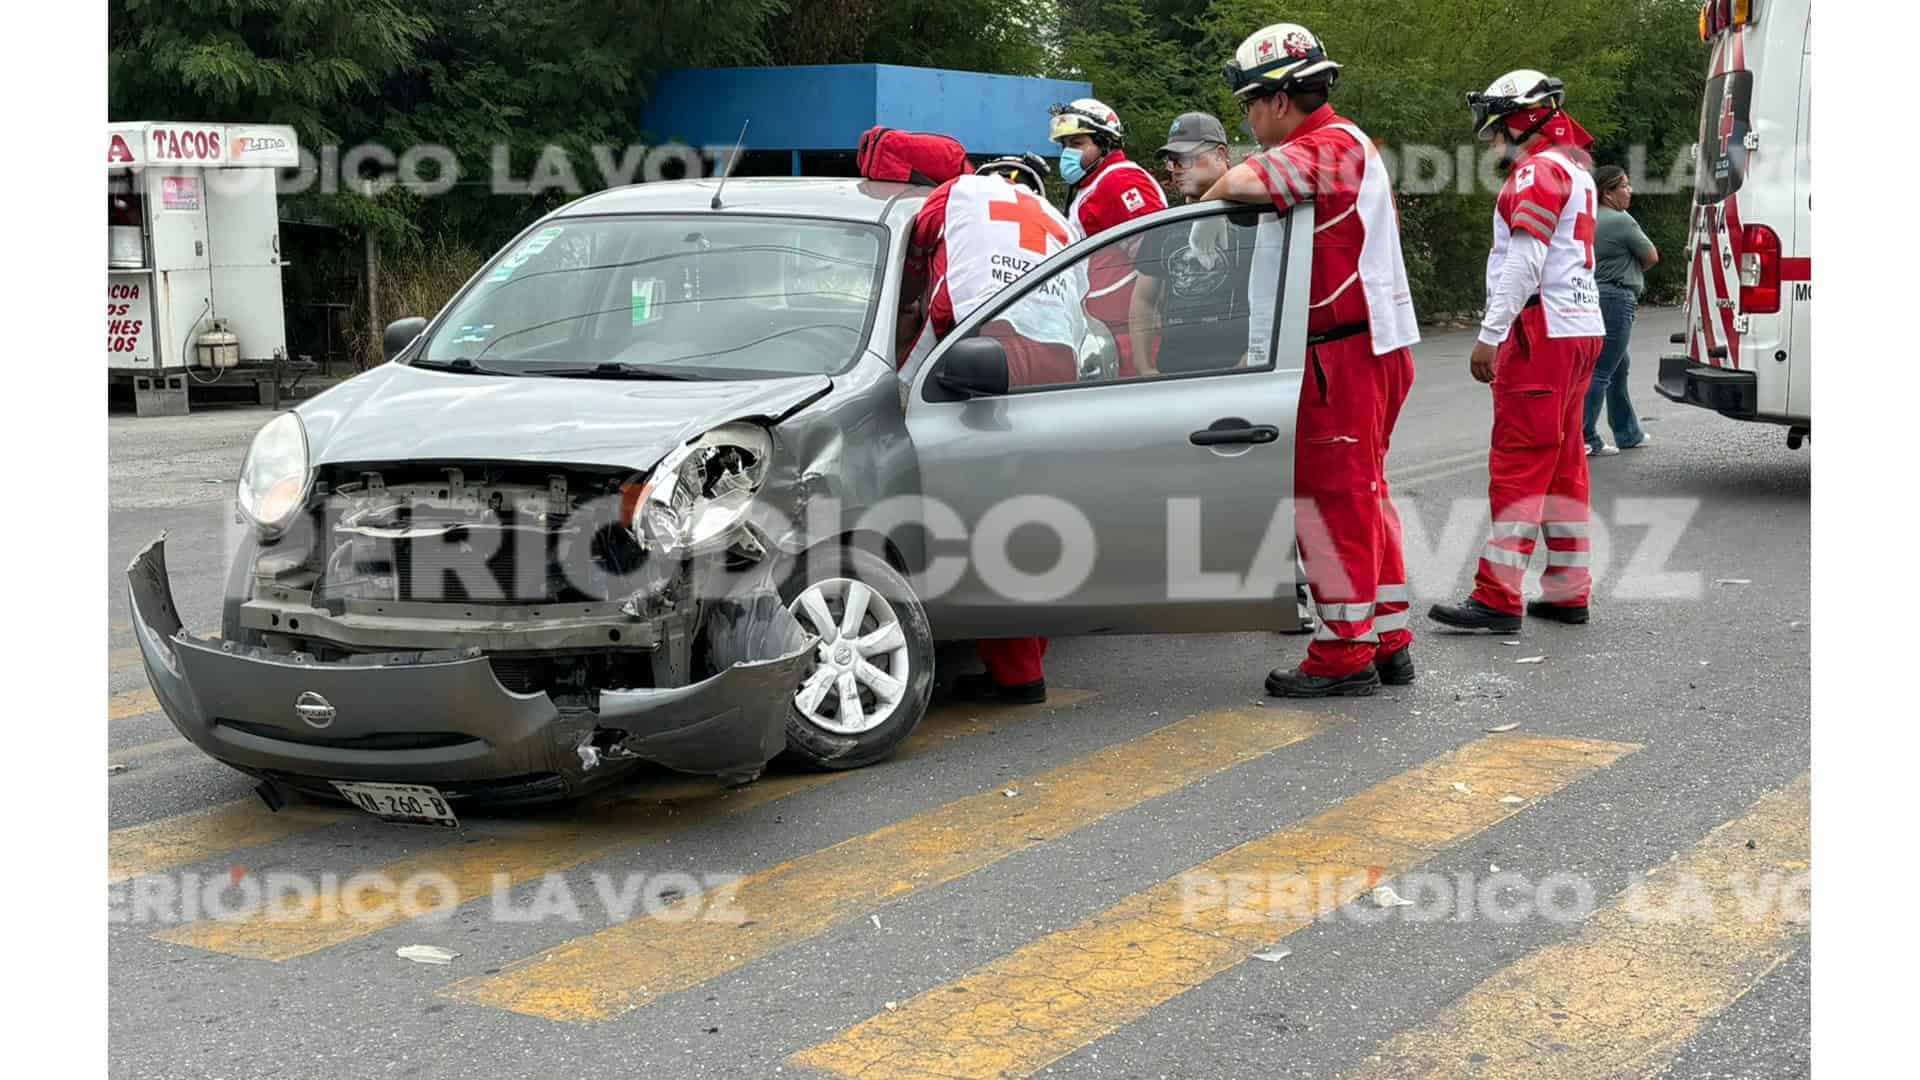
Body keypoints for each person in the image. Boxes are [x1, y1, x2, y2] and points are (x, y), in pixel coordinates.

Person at [1197, 23, 1422, 697]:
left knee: (1332, 505)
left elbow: (1233, 182)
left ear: (1280, 99)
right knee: (1363, 496)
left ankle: (1342, 652)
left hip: (1341, 354)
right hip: (1353, 348)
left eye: (1247, 105)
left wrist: (1208, 190)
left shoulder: (1328, 144)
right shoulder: (1333, 146)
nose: (1246, 118)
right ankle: (1384, 637)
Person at [902, 154, 1085, 704]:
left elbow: (913, 261)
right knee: (1035, 510)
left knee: (987, 515)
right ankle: (1026, 659)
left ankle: (1016, 673)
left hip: (987, 351)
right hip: (1059, 360)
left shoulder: (955, 195)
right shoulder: (1060, 219)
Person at [1430, 70, 1606, 634]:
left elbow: (1524, 262)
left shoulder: (1537, 171)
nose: (1490, 137)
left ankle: (1497, 598)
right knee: (1563, 466)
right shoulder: (1576, 170)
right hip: (1580, 325)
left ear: (1520, 119)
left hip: (1540, 332)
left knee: (1519, 465)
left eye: (1496, 124)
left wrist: (1490, 333)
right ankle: (1567, 590)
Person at [1049, 98, 1168, 377]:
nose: (1068, 153)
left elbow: (1157, 260)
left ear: (1105, 145)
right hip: (1106, 332)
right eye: (1064, 145)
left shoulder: (1121, 181)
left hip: (1128, 337)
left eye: (1077, 143)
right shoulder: (1091, 183)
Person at [1127, 112, 1252, 376]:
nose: (1178, 167)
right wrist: (1144, 366)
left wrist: (1255, 355)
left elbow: (1276, 296)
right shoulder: (1163, 225)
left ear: (1221, 154)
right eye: (1172, 161)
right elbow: (1143, 299)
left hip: (1240, 370)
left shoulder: (1253, 218)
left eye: (1187, 157)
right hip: (1173, 369)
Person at [1584, 164, 1656, 455]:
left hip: (1592, 295)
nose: (1630, 191)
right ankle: (1586, 437)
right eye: (1624, 185)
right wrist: (1633, 270)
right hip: (1616, 297)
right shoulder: (1620, 220)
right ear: (1608, 193)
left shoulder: (1588, 218)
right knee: (1602, 370)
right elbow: (1651, 256)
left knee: (1617, 365)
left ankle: (1628, 432)